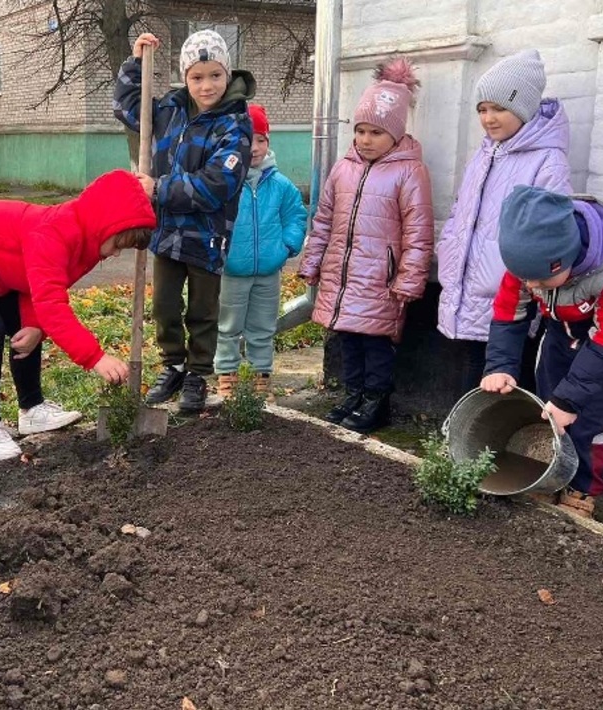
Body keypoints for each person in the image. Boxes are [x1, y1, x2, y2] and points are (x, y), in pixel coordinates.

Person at [0, 169, 157, 461]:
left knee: (25, 327)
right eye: (118, 244)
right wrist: (95, 358)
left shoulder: (87, 245)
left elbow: (37, 285)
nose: (115, 254)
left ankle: (31, 408)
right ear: (104, 224)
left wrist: (35, 325)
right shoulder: (55, 234)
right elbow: (52, 306)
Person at [113, 29, 255, 412]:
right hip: (167, 234)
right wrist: (136, 61)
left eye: (214, 75)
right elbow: (127, 106)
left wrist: (156, 190)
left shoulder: (235, 124)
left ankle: (197, 373)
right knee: (164, 306)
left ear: (227, 75)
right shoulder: (171, 110)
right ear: (184, 77)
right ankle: (173, 363)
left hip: (208, 236)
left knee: (203, 311)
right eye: (196, 76)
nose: (206, 85)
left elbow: (217, 185)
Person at [297, 57, 434, 434]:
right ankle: (353, 394)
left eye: (375, 132)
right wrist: (313, 261)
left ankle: (376, 401)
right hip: (342, 278)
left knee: (375, 345)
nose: (365, 140)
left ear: (395, 133)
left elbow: (418, 232)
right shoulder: (344, 167)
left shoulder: (409, 171)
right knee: (348, 342)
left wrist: (408, 279)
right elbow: (323, 218)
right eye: (360, 131)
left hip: (380, 280)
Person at [436, 49, 572, 393]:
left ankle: (486, 443)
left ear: (523, 108)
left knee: (504, 375)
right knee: (469, 363)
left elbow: (550, 231)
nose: (488, 118)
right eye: (482, 109)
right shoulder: (484, 153)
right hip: (467, 283)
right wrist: (449, 246)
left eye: (499, 108)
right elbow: (460, 211)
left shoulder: (547, 161)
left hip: (510, 291)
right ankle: (465, 437)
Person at [481, 186, 603, 519]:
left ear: (566, 257)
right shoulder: (527, 267)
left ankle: (583, 488)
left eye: (541, 279)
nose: (532, 286)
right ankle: (551, 473)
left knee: (590, 425)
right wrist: (500, 365)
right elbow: (509, 313)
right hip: (558, 340)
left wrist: (571, 400)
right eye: (526, 279)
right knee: (548, 410)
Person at [214, 103, 307, 400]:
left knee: (263, 328)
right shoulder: (224, 183)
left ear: (268, 142)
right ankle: (227, 376)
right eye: (246, 139)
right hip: (232, 271)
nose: (253, 147)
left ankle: (260, 380)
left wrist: (287, 246)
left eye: (261, 139)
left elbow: (296, 217)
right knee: (227, 327)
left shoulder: (281, 186)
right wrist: (219, 250)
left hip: (268, 271)